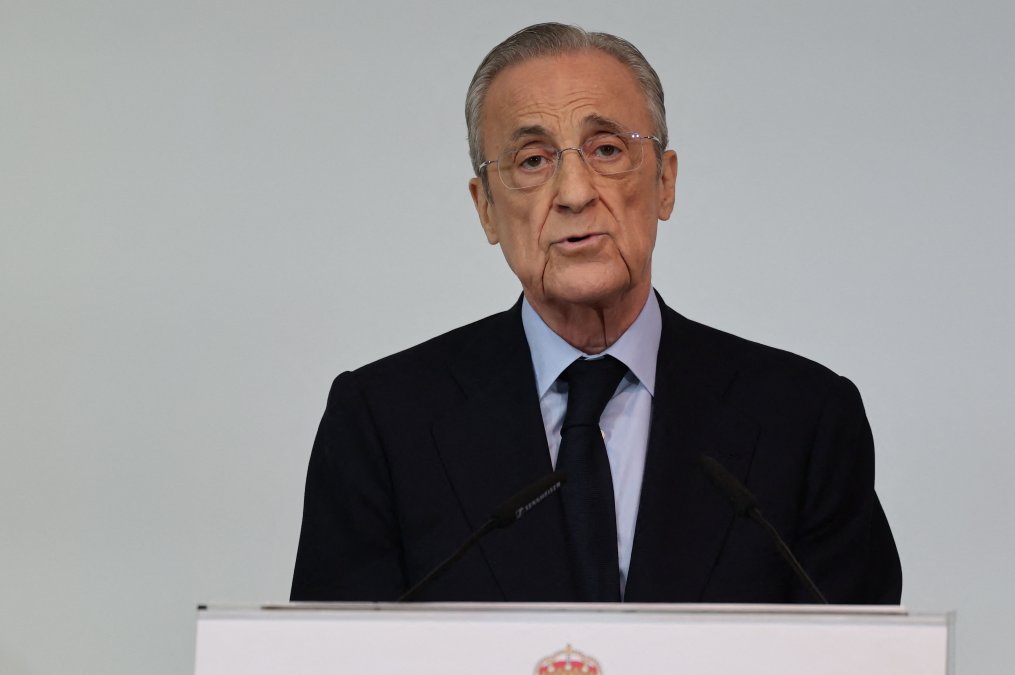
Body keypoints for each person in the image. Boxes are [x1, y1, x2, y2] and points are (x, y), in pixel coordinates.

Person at [290, 22, 901, 604]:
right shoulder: (381, 423)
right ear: (486, 210)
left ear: (665, 181)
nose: (576, 193)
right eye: (532, 161)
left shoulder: (806, 420)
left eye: (607, 150)